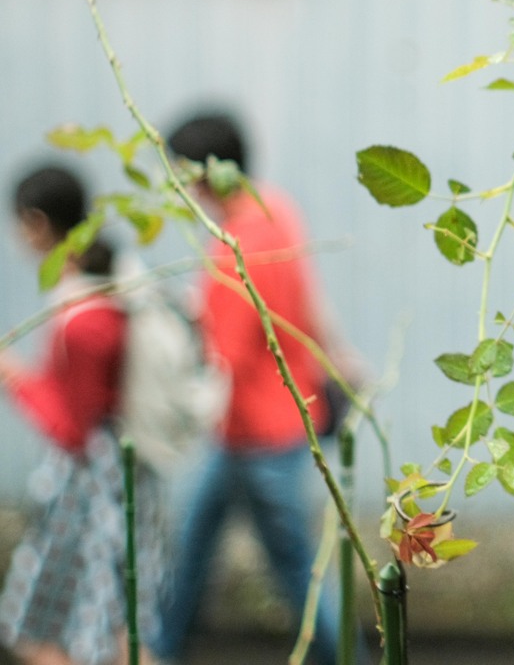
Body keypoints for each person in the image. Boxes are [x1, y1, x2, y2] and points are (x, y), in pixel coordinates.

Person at [153, 111, 367, 665]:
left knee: (294, 565)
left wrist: (172, 421)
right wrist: (339, 353)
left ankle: (349, 659)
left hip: (256, 434)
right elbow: (305, 297)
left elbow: (225, 362)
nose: (179, 189)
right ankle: (160, 649)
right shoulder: (276, 208)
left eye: (181, 175)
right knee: (196, 543)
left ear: (203, 176)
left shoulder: (230, 250)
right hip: (282, 421)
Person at [0, 164, 166, 665]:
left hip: (89, 488)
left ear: (35, 223)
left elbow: (71, 427)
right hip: (120, 478)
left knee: (58, 631)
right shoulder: (112, 283)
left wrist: (13, 377)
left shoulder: (83, 318)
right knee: (113, 627)